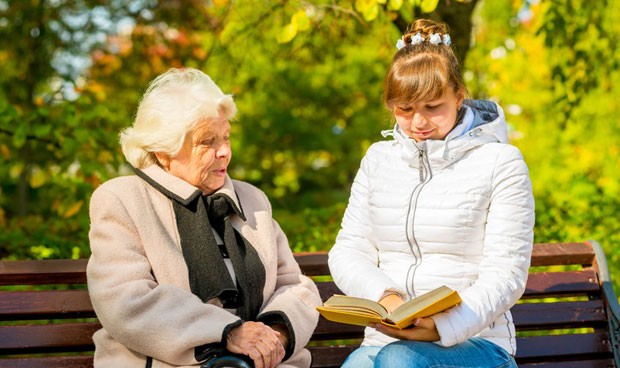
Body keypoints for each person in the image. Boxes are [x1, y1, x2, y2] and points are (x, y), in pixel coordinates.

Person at [328, 19, 535, 368]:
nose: (418, 122)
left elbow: (506, 275)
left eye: (432, 107)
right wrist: (388, 296)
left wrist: (442, 326)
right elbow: (349, 250)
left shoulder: (501, 162)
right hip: (385, 341)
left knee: (398, 362)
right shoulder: (378, 160)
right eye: (404, 110)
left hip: (478, 344)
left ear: (458, 96)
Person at [87, 67, 322, 368]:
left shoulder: (252, 200)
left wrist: (273, 335)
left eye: (226, 137)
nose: (224, 151)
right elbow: (125, 301)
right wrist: (226, 332)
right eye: (207, 141)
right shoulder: (122, 199)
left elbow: (296, 286)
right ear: (163, 151)